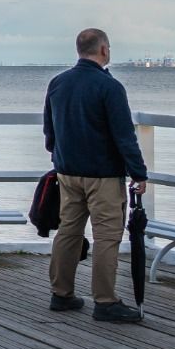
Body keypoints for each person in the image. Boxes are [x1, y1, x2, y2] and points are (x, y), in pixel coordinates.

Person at [43, 28, 149, 324]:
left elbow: (49, 129)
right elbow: (123, 135)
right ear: (104, 50)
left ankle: (61, 293)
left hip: (67, 171)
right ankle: (105, 300)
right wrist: (138, 172)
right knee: (107, 236)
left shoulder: (58, 82)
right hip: (102, 174)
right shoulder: (109, 87)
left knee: (68, 232)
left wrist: (57, 155)